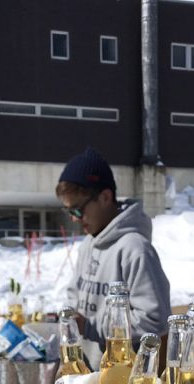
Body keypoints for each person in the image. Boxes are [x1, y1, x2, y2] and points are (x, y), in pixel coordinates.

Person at [56, 147, 170, 348]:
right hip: (86, 373)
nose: (74, 218)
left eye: (77, 210)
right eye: (69, 211)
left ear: (105, 197)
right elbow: (75, 296)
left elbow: (154, 320)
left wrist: (91, 327)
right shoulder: (88, 244)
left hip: (119, 376)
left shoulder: (135, 249)